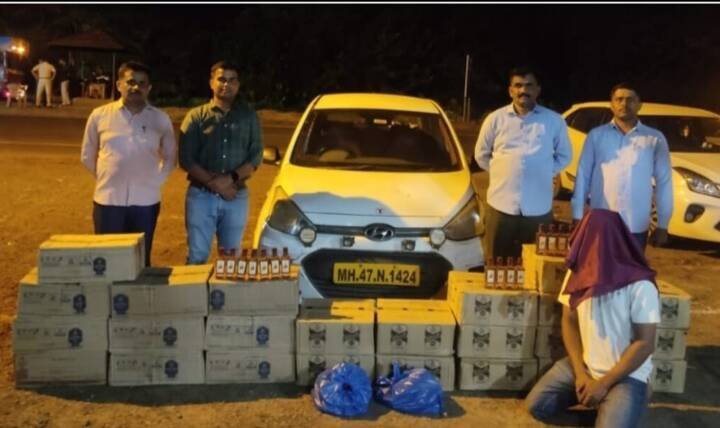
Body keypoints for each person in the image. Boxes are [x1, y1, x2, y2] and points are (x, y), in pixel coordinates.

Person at [526, 208, 659, 428]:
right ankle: (603, 416)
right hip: (586, 366)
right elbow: (568, 321)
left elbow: (645, 343)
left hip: (625, 376)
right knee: (537, 406)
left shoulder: (640, 285)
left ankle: (630, 401)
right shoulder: (577, 273)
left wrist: (604, 384)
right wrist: (580, 373)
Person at [80, 61, 176, 266]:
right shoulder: (99, 115)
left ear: (149, 88)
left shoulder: (160, 119)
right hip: (108, 202)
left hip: (146, 203)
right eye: (131, 82)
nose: (136, 87)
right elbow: (87, 155)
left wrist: (154, 182)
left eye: (142, 83)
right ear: (119, 85)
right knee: (106, 262)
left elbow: (170, 158)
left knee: (140, 261)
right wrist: (107, 177)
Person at [474, 67, 572, 260]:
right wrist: (503, 172)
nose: (523, 90)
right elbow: (481, 155)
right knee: (497, 265)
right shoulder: (495, 119)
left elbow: (564, 155)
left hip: (538, 209)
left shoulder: (554, 121)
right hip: (500, 206)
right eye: (518, 85)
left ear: (538, 89)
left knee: (535, 265)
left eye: (529, 85)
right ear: (510, 90)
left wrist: (543, 171)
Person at [570, 83, 673, 250]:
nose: (624, 104)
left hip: (636, 226)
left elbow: (664, 183)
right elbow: (583, 176)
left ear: (639, 105)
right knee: (598, 267)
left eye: (630, 100)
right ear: (611, 104)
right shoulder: (596, 136)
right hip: (601, 224)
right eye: (619, 99)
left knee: (632, 268)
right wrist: (577, 214)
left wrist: (663, 224)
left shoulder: (654, 139)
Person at [179, 60, 263, 264]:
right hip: (201, 196)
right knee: (197, 256)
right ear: (211, 82)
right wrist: (214, 184)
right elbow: (186, 159)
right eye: (222, 79)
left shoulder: (249, 117)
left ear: (238, 85)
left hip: (235, 196)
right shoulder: (196, 117)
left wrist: (230, 179)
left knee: (231, 260)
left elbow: (255, 157)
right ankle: (195, 287)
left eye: (232, 80)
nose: (227, 84)